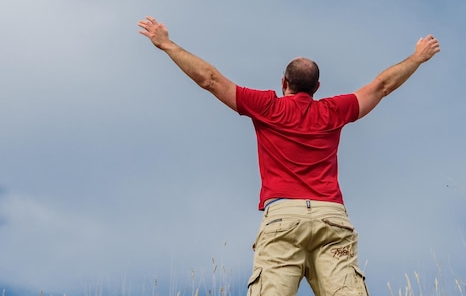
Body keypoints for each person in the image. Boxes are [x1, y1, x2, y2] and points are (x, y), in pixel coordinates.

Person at [138, 16, 440, 296]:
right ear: (317, 88)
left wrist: (166, 44)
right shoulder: (332, 110)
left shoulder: (268, 107)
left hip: (284, 218)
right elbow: (382, 86)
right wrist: (418, 57)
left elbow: (211, 80)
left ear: (284, 83)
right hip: (331, 218)